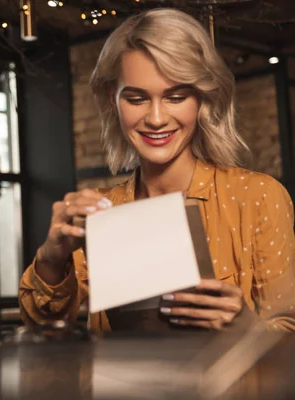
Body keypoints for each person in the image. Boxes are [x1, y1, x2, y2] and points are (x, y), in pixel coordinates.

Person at [20, 8, 295, 332]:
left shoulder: (257, 197)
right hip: (120, 382)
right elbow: (44, 328)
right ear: (114, 100)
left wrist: (246, 327)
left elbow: (288, 334)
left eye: (175, 97)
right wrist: (52, 258)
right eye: (136, 99)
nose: (155, 118)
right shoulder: (102, 212)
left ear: (201, 99)